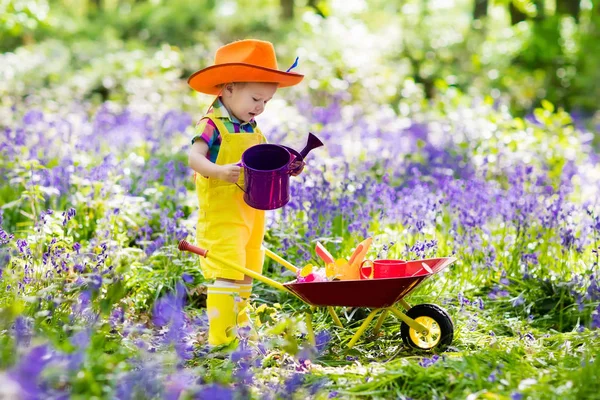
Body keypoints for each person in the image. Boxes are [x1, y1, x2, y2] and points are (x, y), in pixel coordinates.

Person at [187, 39, 304, 346]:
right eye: (255, 98)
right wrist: (217, 171)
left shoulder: (252, 127)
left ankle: (241, 329)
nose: (259, 107)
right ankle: (221, 338)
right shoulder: (212, 124)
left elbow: (264, 162)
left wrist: (288, 168)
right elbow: (194, 158)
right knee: (229, 269)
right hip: (223, 213)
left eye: (266, 102)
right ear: (228, 89)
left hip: (252, 211)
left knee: (248, 267)